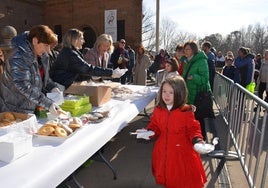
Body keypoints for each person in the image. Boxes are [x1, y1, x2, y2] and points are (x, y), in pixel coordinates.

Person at [135, 76, 207, 188]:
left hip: (181, 153)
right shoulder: (158, 109)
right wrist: (149, 132)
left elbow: (193, 128)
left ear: (179, 93)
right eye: (164, 91)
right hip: (163, 151)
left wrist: (197, 140)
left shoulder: (185, 111)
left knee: (181, 179)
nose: (166, 95)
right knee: (167, 176)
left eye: (171, 92)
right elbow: (155, 125)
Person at [0, 25, 63, 115]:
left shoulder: (43, 55)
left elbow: (44, 78)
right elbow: (22, 84)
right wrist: (47, 104)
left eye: (49, 46)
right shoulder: (18, 54)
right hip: (12, 108)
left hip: (29, 107)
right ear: (35, 41)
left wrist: (52, 87)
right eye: (46, 45)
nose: (48, 50)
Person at [50, 29, 123, 89]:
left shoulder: (72, 52)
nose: (84, 41)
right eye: (82, 39)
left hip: (66, 84)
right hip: (62, 86)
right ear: (74, 39)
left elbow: (81, 71)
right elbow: (87, 69)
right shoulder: (70, 53)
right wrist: (111, 73)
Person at [182, 41, 213, 140]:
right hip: (190, 92)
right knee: (191, 117)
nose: (185, 51)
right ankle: (193, 137)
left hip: (199, 95)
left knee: (199, 118)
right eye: (185, 49)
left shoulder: (201, 60)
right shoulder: (187, 61)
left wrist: (194, 77)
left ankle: (201, 139)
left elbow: (205, 78)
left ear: (193, 50)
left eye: (188, 49)